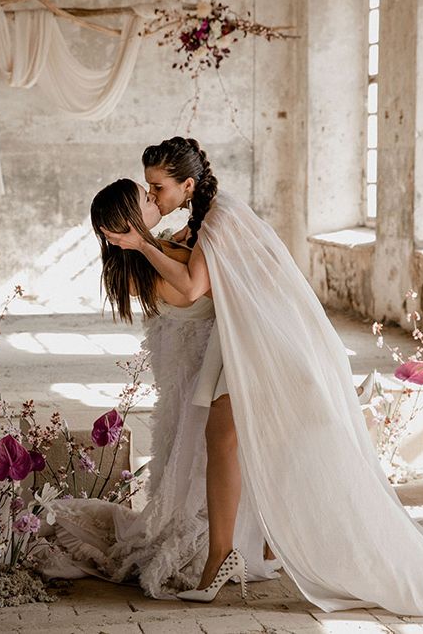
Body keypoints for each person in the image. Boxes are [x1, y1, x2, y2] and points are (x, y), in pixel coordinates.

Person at [99, 136, 423, 615]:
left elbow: (196, 284)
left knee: (247, 440)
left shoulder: (222, 217)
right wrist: (152, 244)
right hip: (245, 339)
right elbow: (193, 274)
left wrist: (141, 242)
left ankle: (237, 553)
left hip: (272, 339)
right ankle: (246, 549)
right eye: (150, 190)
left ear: (188, 185)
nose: (153, 197)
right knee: (229, 438)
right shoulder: (204, 222)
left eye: (157, 187)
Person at [42, 178, 278, 598]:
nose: (154, 198)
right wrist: (161, 244)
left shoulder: (166, 244)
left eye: (153, 191)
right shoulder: (142, 270)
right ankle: (229, 547)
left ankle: (258, 538)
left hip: (219, 369)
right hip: (197, 381)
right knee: (207, 465)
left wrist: (184, 238)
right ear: (131, 223)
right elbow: (191, 290)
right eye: (146, 198)